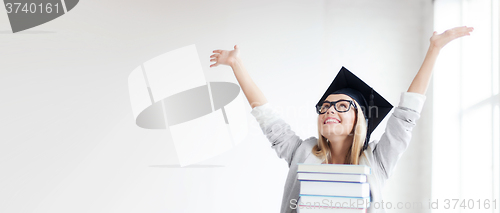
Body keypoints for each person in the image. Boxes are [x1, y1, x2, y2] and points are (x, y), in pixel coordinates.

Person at [210, 26, 474, 213]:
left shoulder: (377, 161)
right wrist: (237, 65)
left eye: (341, 105)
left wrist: (434, 49)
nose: (329, 110)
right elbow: (268, 119)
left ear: (359, 118)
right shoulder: (303, 153)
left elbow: (406, 116)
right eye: (325, 106)